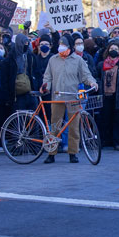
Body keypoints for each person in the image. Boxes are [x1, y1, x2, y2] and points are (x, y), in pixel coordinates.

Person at [41, 35, 98, 164]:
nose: (61, 47)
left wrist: (92, 82)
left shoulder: (78, 60)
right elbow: (47, 77)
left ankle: (73, 152)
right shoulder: (53, 60)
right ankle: (51, 153)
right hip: (57, 97)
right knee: (55, 125)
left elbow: (86, 75)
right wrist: (46, 87)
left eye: (64, 45)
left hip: (73, 98)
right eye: (60, 44)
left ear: (70, 46)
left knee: (74, 127)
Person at [94, 39, 119, 151]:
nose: (113, 51)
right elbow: (96, 77)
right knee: (104, 120)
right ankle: (103, 141)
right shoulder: (101, 65)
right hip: (105, 96)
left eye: (116, 49)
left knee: (118, 121)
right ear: (108, 50)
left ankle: (117, 142)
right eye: (111, 49)